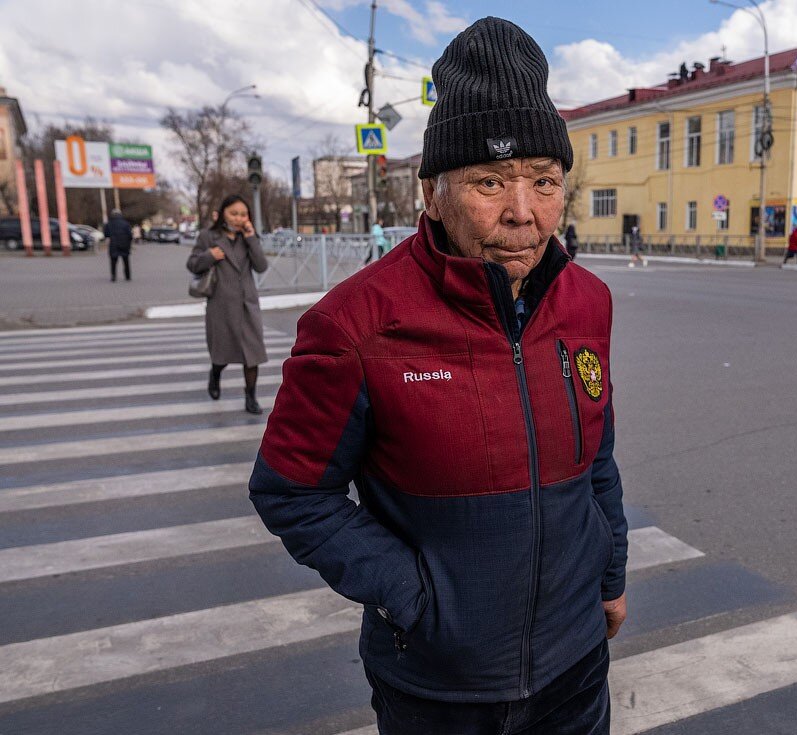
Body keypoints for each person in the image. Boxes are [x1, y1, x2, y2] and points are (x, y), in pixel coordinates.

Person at [249, 17, 628, 735]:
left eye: (545, 182)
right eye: (491, 181)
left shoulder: (588, 302)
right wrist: (419, 599)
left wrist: (608, 578)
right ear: (432, 192)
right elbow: (292, 491)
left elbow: (597, 460)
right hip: (439, 694)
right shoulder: (355, 323)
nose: (524, 212)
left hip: (577, 670)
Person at [187, 194, 269, 415]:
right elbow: (192, 264)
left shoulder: (248, 236)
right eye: (234, 213)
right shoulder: (208, 236)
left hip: (247, 305)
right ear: (223, 213)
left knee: (252, 355)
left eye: (243, 214)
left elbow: (261, 266)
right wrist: (209, 255)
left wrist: (252, 238)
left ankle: (250, 397)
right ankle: (215, 374)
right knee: (222, 353)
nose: (239, 218)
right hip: (221, 306)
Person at [103, 208, 133, 282]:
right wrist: (129, 242)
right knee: (126, 261)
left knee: (113, 261)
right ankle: (127, 276)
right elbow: (130, 235)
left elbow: (106, 234)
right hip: (124, 244)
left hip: (114, 244)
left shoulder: (109, 224)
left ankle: (113, 276)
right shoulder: (125, 223)